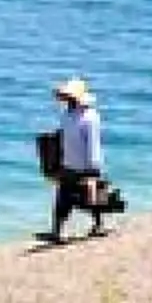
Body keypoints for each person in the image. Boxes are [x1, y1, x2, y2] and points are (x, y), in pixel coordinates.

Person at [38, 78, 106, 243]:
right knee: (63, 198)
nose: (65, 100)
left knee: (89, 197)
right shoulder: (68, 115)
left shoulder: (90, 118)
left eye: (69, 97)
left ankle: (98, 225)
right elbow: (64, 136)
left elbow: (93, 144)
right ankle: (57, 231)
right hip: (68, 163)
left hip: (85, 166)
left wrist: (93, 171)